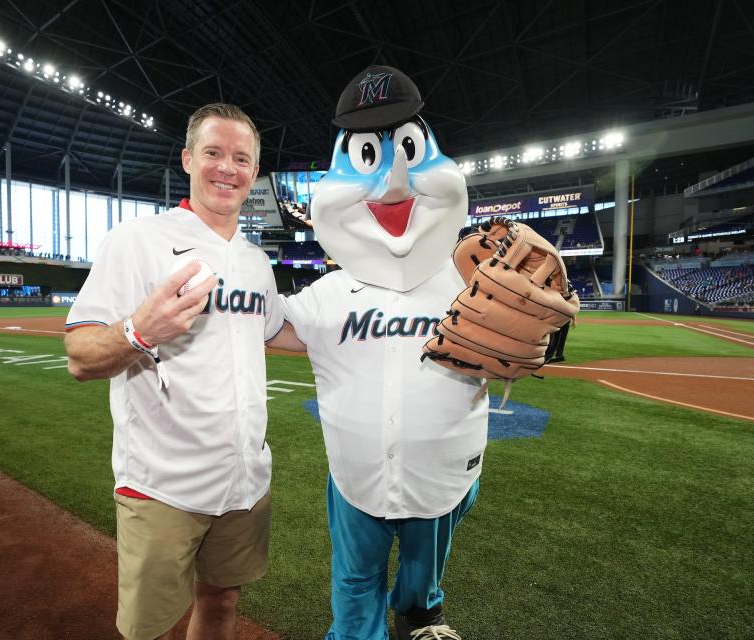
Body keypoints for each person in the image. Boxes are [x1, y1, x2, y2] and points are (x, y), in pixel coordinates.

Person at [266, 66, 485, 640]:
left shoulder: (468, 281)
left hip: (439, 479)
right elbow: (268, 327)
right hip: (356, 479)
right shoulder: (329, 292)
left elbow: (523, 346)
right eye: (370, 155)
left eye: (408, 151)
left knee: (420, 577)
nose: (392, 183)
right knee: (355, 583)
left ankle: (422, 614)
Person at [64, 103, 282, 640]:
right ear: (188, 159)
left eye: (240, 158)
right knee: (150, 629)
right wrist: (142, 329)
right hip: (163, 482)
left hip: (244, 478)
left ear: (254, 172)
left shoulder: (256, 260)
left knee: (223, 600)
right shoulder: (138, 239)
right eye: (213, 153)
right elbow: (80, 355)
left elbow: (282, 330)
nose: (226, 168)